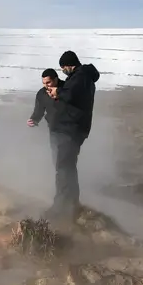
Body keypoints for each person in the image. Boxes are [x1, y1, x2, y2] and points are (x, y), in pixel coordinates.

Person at [44, 50, 100, 221]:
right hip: (75, 128)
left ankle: (61, 208)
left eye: (63, 68)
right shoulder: (83, 77)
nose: (63, 71)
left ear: (69, 65)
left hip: (71, 129)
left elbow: (70, 94)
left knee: (63, 168)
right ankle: (71, 203)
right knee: (67, 167)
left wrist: (57, 92)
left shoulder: (80, 77)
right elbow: (73, 97)